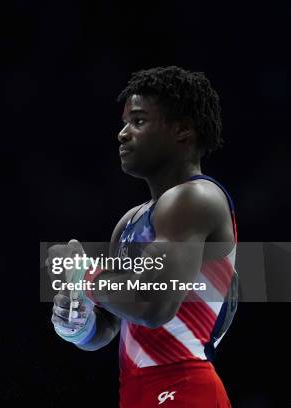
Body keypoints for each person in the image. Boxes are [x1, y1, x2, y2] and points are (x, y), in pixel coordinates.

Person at [48, 66, 237, 407]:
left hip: (185, 387)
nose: (122, 134)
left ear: (183, 130)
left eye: (138, 121)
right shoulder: (131, 220)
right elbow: (115, 323)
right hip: (136, 391)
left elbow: (153, 305)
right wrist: (78, 324)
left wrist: (81, 274)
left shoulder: (196, 198)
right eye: (124, 122)